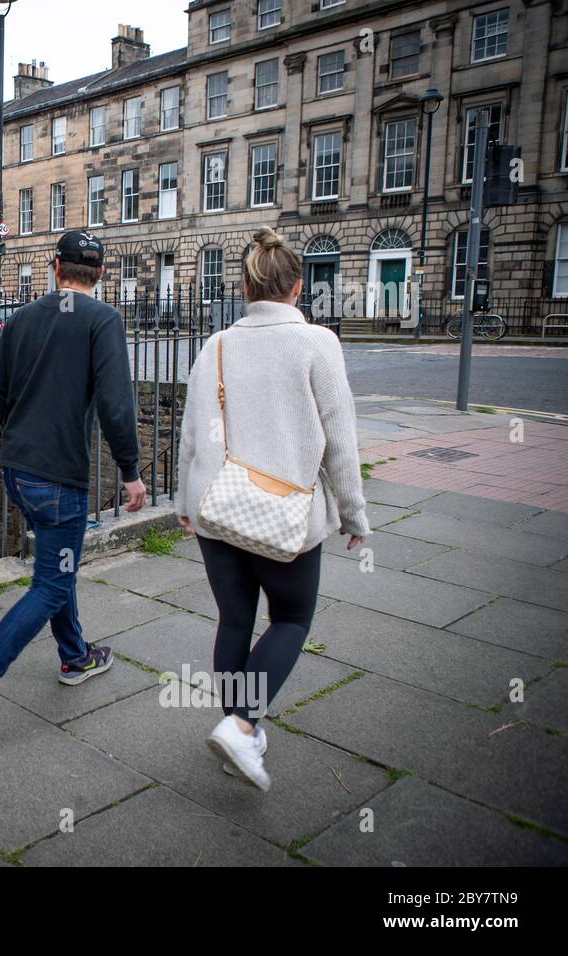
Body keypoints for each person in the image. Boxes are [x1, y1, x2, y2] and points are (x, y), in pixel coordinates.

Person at [176, 227, 369, 790]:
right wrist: (355, 516)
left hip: (218, 512)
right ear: (298, 287)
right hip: (284, 517)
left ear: (244, 286)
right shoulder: (318, 343)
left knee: (234, 620)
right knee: (289, 620)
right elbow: (341, 440)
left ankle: (241, 729)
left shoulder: (216, 345)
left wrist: (188, 503)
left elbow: (192, 432)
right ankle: (241, 725)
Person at [0, 231, 147, 748]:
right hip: (60, 477)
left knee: (59, 563)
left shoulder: (22, 320)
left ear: (56, 268)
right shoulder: (104, 320)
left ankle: (75, 655)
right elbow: (117, 405)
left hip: (18, 470)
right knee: (53, 582)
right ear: (99, 274)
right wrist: (130, 470)